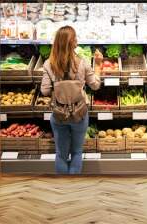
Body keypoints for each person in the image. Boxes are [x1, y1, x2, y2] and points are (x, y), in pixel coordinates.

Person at [41, 26, 102, 174]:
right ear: (72, 43)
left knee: (61, 154)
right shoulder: (83, 62)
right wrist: (99, 65)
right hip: (79, 114)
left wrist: (59, 89)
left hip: (59, 114)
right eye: (75, 38)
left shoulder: (49, 64)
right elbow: (95, 85)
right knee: (76, 152)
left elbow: (45, 90)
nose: (77, 41)